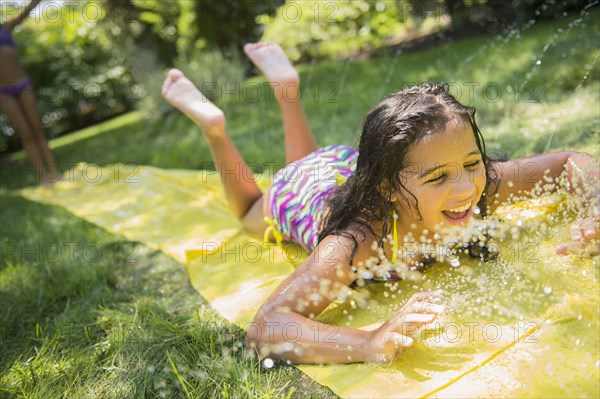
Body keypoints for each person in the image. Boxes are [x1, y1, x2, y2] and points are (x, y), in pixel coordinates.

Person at [162, 42, 599, 364]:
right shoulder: (358, 241)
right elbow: (266, 327)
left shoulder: (475, 184)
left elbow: (569, 162)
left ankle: (287, 89)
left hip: (343, 166)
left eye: (471, 163)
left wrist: (595, 206)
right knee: (247, 211)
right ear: (389, 187)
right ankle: (215, 128)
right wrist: (368, 341)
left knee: (310, 160)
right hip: (302, 192)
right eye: (439, 176)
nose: (465, 187)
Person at [0, 0, 57, 185]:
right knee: (26, 133)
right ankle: (44, 177)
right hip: (4, 92)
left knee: (36, 128)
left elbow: (26, 11)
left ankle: (54, 172)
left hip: (23, 84)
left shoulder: (5, 29)